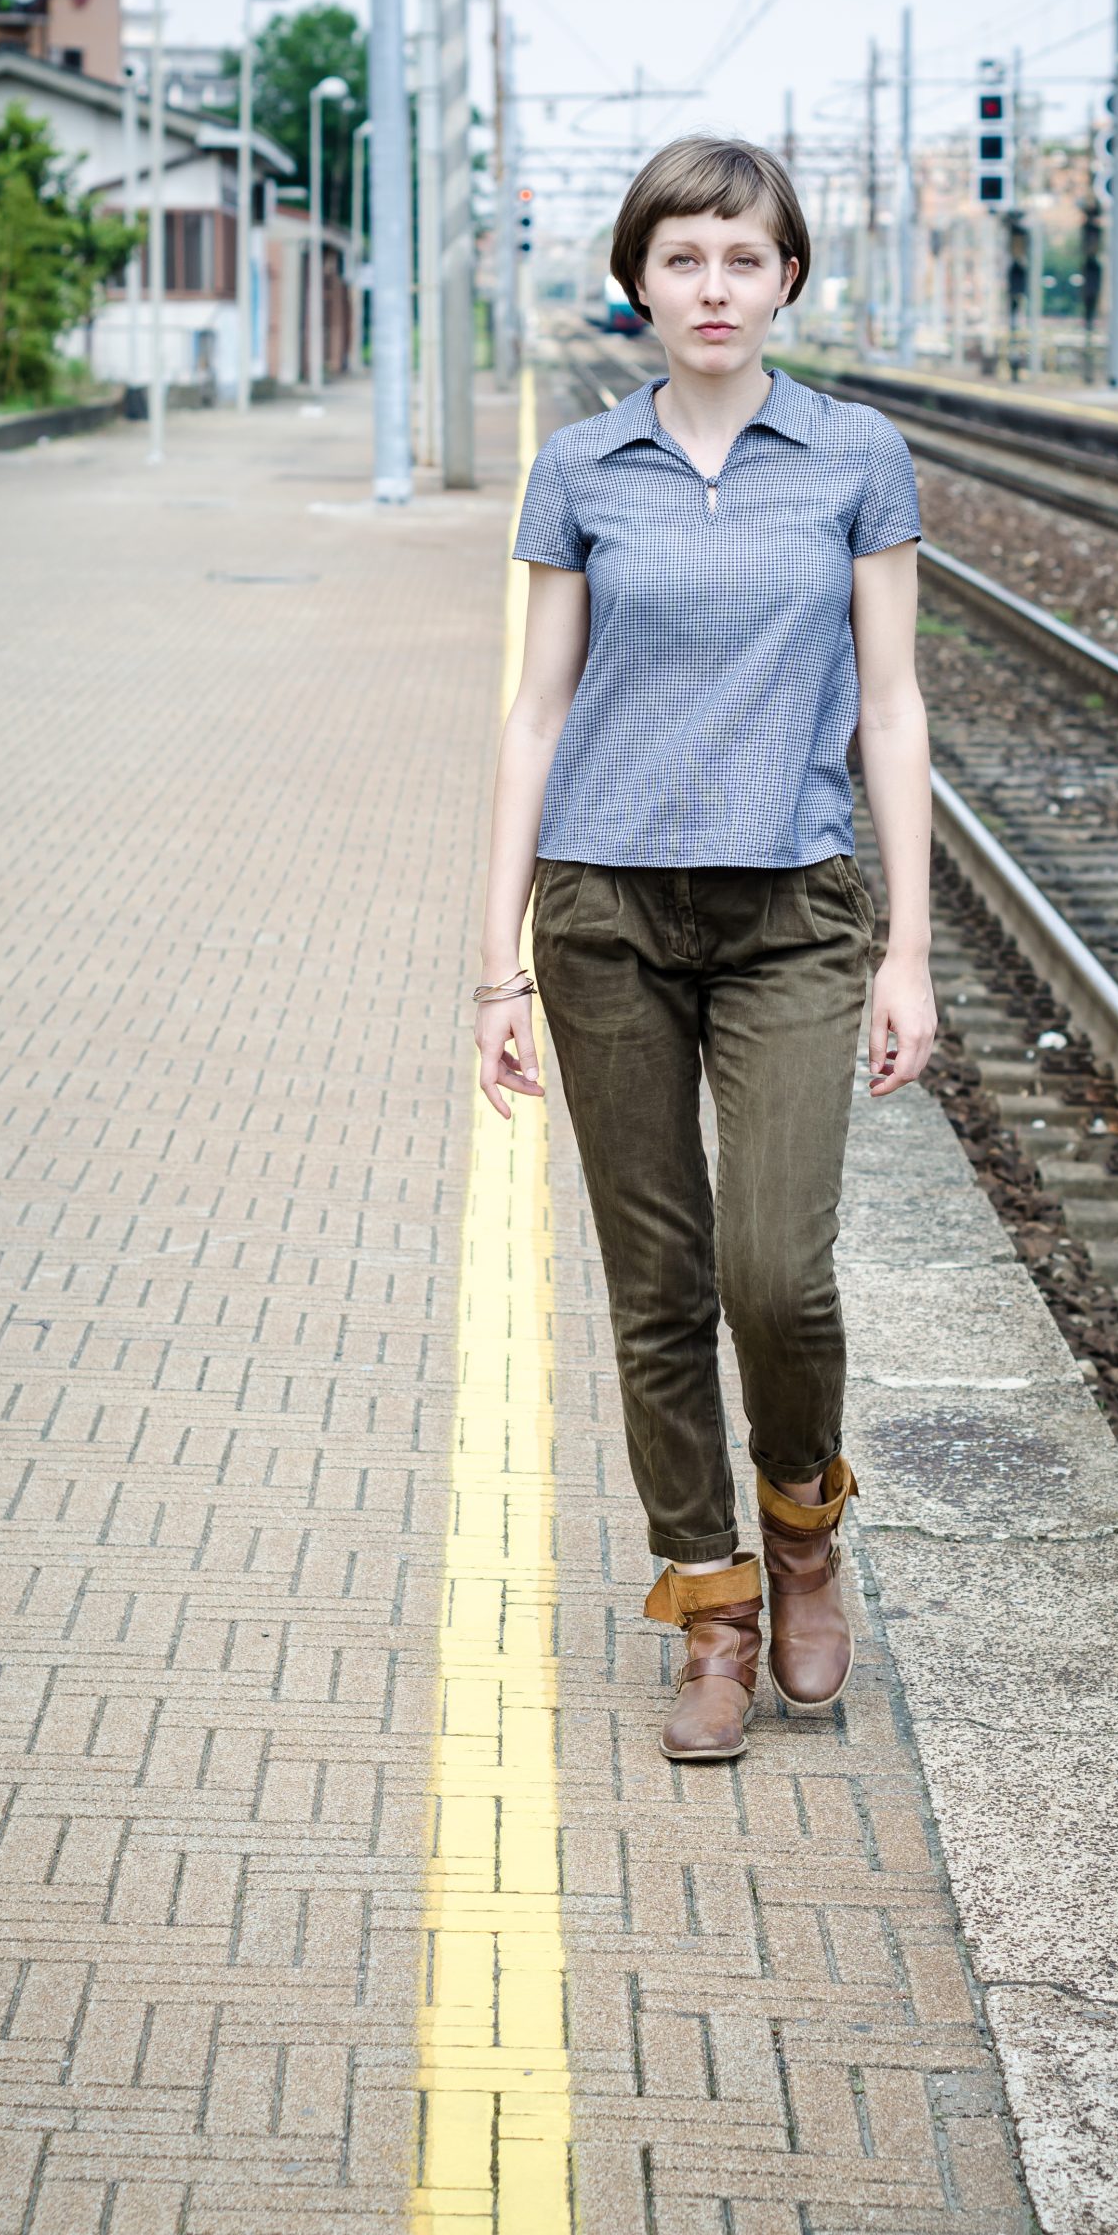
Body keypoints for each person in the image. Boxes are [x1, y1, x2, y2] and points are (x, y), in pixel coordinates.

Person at [475, 135, 936, 1762]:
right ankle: (714, 1603)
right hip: (603, 910)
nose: (714, 288)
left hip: (791, 913)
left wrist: (909, 952)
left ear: (787, 278)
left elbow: (890, 707)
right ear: (639, 284)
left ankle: (805, 1518)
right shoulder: (584, 468)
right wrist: (497, 963)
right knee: (656, 1286)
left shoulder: (857, 456)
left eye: (742, 259)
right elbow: (535, 716)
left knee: (775, 1271)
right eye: (682, 260)